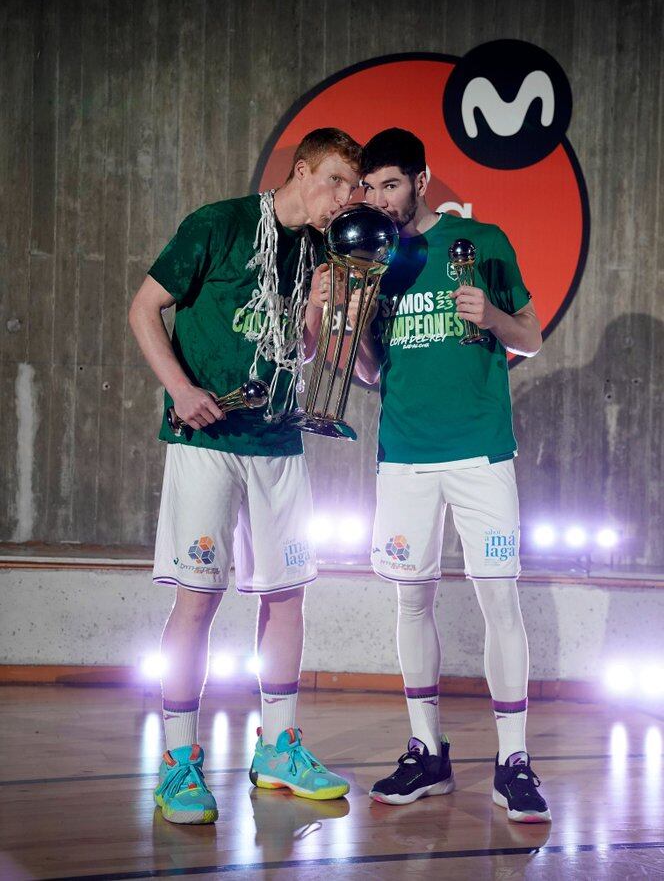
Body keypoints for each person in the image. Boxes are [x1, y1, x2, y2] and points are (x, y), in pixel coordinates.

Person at [129, 128, 360, 824]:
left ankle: (278, 748)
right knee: (198, 600)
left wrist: (319, 304)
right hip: (207, 439)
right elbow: (144, 308)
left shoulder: (323, 251)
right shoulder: (219, 224)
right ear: (300, 170)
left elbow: (304, 347)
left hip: (278, 440)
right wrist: (177, 387)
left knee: (287, 594)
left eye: (353, 187)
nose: (343, 200)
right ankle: (177, 760)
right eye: (335, 183)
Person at [350, 128, 551, 822]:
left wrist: (492, 316)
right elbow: (373, 372)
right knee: (410, 600)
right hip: (404, 454)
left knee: (500, 598)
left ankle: (513, 760)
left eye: (391, 185)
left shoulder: (483, 242)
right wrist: (349, 330)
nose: (378, 198)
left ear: (423, 180)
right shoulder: (371, 258)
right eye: (369, 187)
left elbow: (531, 336)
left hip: (479, 451)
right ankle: (427, 753)